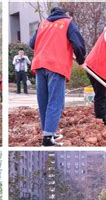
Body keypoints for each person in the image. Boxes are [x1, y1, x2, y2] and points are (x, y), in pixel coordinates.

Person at [29, 7, 86, 146]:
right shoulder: (67, 23)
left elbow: (32, 44)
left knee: (44, 101)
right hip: (56, 66)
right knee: (55, 102)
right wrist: (81, 60)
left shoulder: (43, 23)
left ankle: (49, 132)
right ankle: (48, 139)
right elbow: (78, 44)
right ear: (64, 14)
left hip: (40, 65)